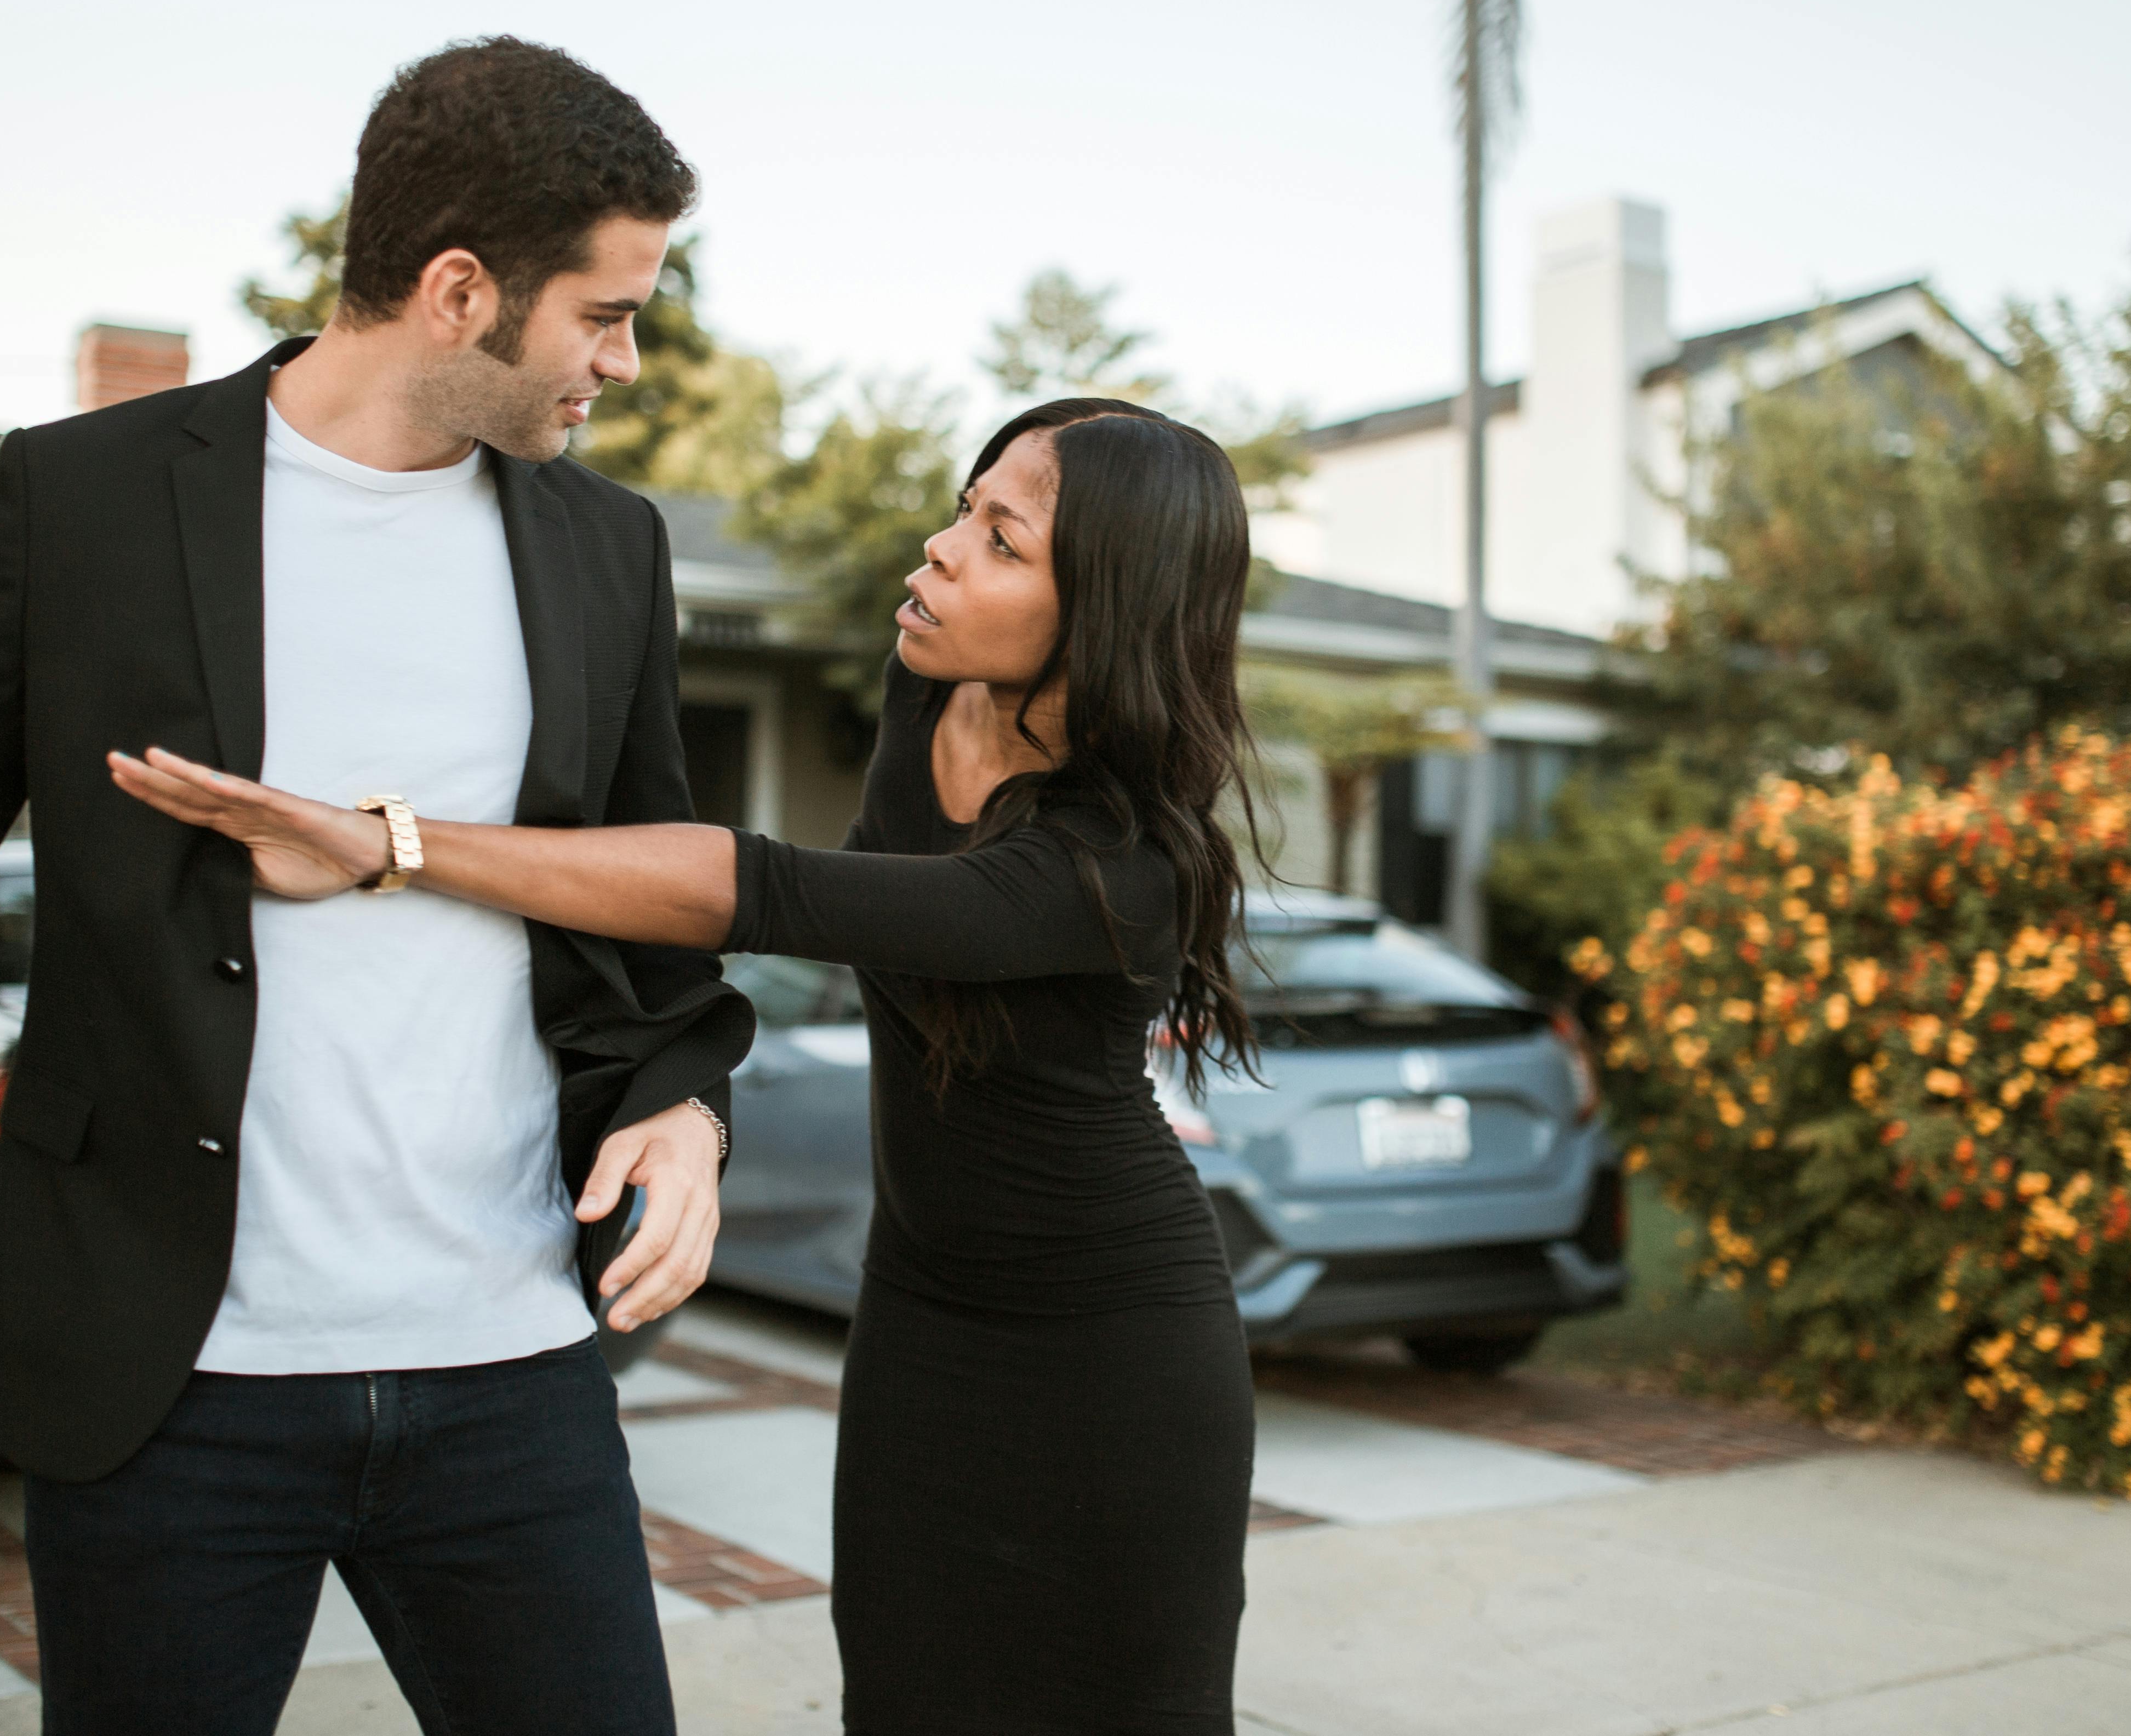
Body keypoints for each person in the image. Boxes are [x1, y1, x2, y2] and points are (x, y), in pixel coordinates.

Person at [0, 37, 751, 1736]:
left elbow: (641, 886)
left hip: (510, 1373)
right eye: (605, 313)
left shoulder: (605, 547)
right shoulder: (86, 500)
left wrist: (686, 1104)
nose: (626, 363)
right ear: (453, 290)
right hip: (170, 1384)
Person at [111, 395, 1267, 1735]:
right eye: (964, 505)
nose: (942, 549)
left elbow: (748, 888)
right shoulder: (931, 687)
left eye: (1001, 539)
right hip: (922, 1320)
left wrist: (388, 842)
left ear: (1110, 606)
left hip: (1116, 1353)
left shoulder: (1114, 861)